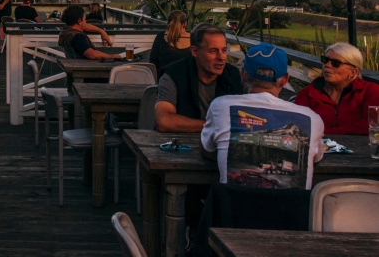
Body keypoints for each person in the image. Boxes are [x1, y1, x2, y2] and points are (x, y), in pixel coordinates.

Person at [201, 43, 325, 190]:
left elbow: (207, 150)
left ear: (243, 74)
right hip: (291, 211)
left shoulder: (220, 106)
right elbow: (315, 159)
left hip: (234, 211)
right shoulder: (312, 118)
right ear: (285, 80)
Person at [155, 22, 242, 132]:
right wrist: (214, 126)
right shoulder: (173, 75)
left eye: (224, 50)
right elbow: (163, 121)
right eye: (213, 51)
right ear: (194, 51)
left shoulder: (232, 75)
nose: (221, 57)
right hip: (180, 144)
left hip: (221, 145)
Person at [295, 42, 379, 135]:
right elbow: (297, 126)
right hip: (317, 147)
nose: (327, 65)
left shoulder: (370, 91)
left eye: (335, 63)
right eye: (325, 60)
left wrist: (325, 132)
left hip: (360, 148)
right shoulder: (307, 94)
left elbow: (371, 125)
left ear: (353, 72)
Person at [149, 10, 192, 78]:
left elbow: (153, 62)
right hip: (187, 84)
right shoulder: (193, 39)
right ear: (185, 24)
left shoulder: (161, 37)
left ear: (168, 23)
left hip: (164, 82)